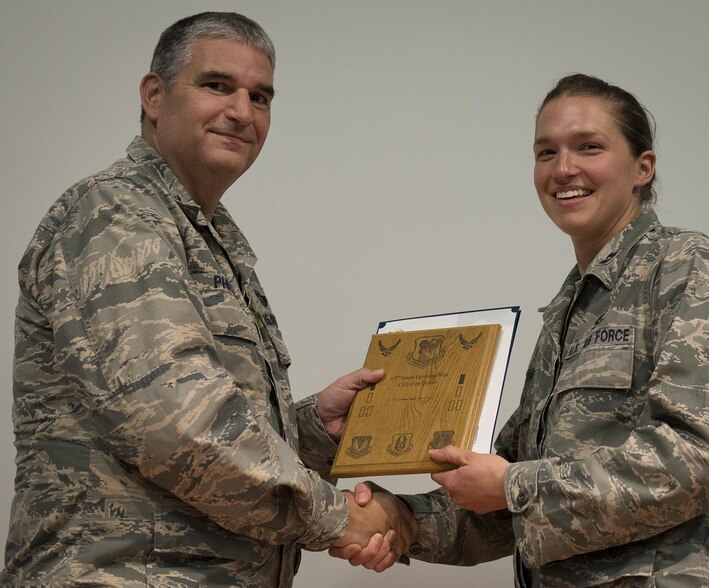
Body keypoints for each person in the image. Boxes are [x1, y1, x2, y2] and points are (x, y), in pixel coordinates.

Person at [2, 11, 414, 586]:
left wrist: (314, 427)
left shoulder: (209, 239)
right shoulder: (115, 216)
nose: (242, 112)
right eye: (217, 85)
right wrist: (337, 516)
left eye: (260, 97)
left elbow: (205, 418)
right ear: (154, 95)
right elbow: (174, 423)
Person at [335, 74, 709, 586]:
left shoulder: (690, 270)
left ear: (643, 167)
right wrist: (398, 519)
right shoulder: (572, 309)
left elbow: (702, 458)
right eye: (546, 152)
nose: (563, 168)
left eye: (588, 147)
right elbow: (507, 496)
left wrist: (514, 487)